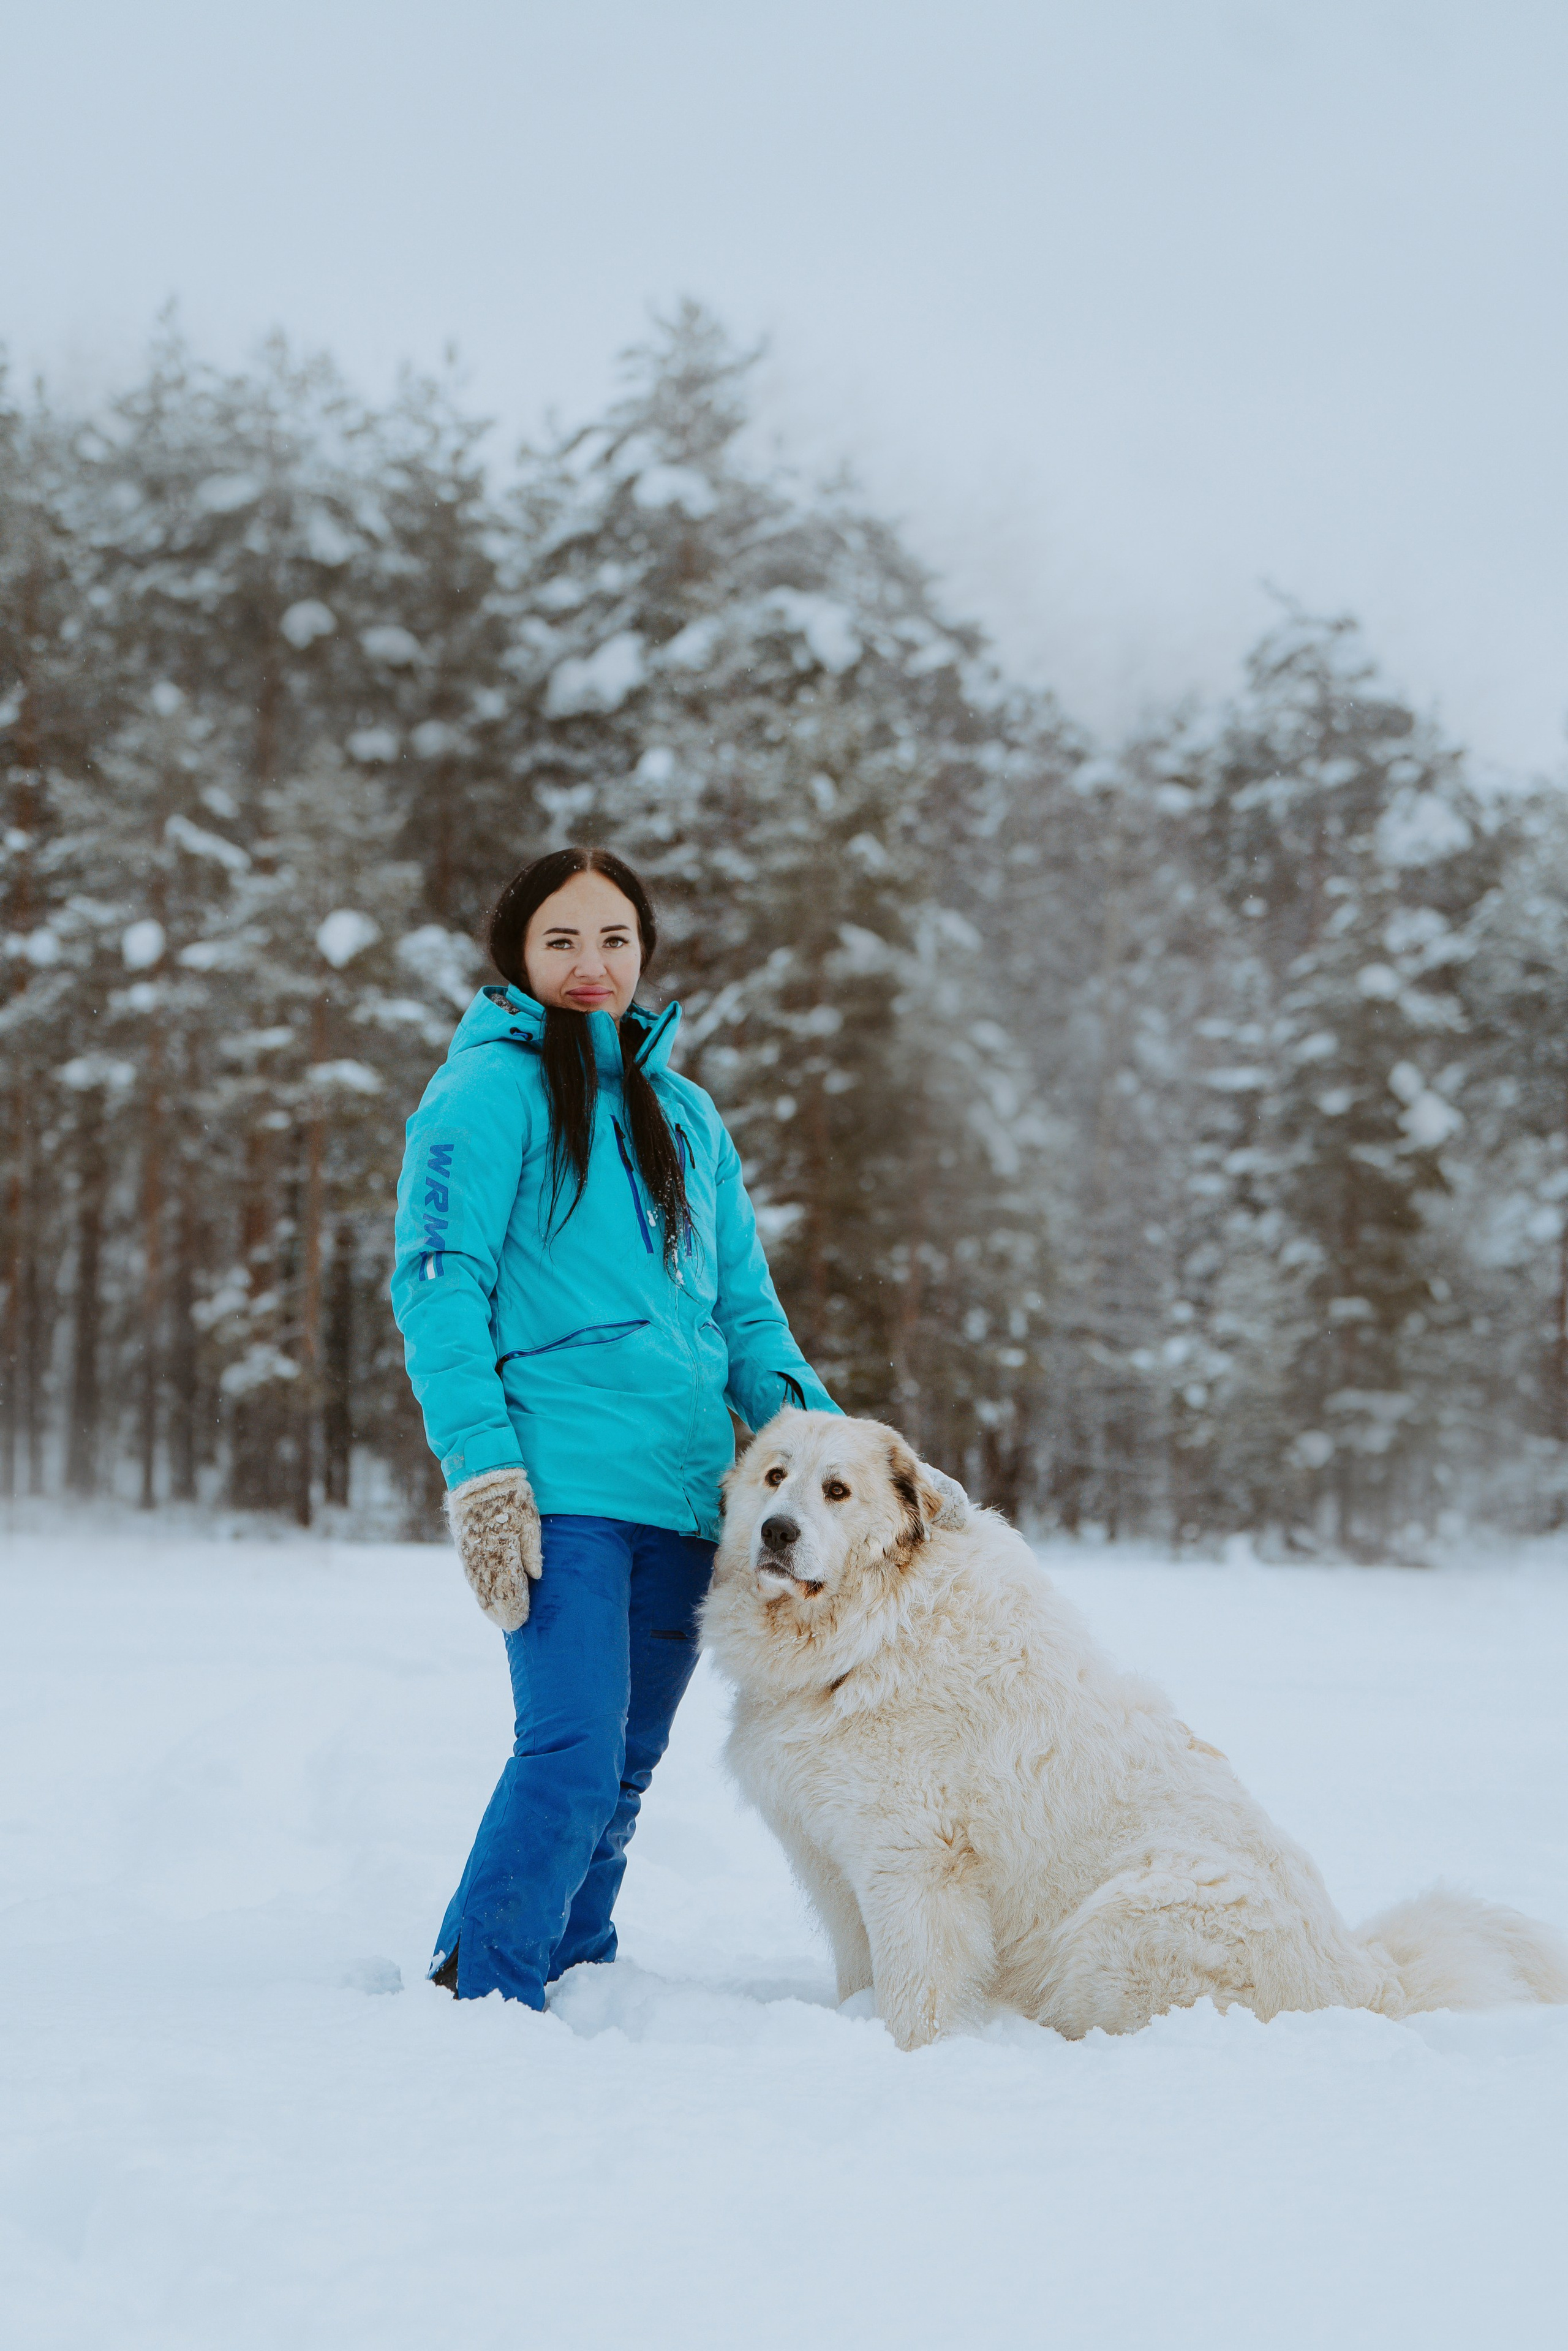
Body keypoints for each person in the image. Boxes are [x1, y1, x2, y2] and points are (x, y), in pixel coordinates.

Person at [391, 845, 839, 2005]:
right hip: (564, 1490)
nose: (593, 965)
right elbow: (440, 1284)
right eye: (563, 941)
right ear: (518, 956)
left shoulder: (684, 1115)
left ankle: (572, 1965)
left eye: (616, 941)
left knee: (626, 1767)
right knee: (573, 1751)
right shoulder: (484, 1093)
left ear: (644, 954)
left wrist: (844, 1460)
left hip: (688, 1495)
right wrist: (485, 1470)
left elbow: (747, 1315)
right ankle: (483, 1991)